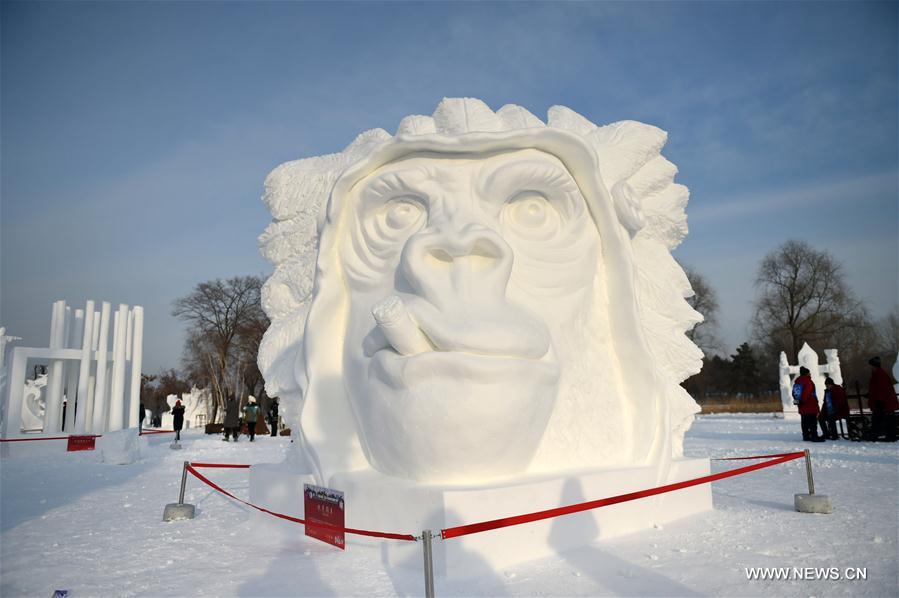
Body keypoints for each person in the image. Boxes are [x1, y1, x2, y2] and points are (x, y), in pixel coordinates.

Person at [867, 356, 898, 442]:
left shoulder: (880, 374)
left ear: (874, 366)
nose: (870, 368)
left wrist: (880, 401)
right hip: (882, 402)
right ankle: (880, 435)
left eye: (871, 366)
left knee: (881, 419)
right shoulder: (878, 374)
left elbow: (882, 389)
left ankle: (879, 436)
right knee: (883, 419)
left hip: (883, 402)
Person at [793, 366, 823, 442]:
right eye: (809, 373)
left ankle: (806, 436)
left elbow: (794, 393)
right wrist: (803, 400)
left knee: (804, 421)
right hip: (810, 404)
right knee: (813, 422)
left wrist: (799, 402)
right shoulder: (808, 381)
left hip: (801, 405)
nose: (810, 374)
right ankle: (814, 436)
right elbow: (807, 392)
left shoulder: (797, 381)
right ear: (807, 373)